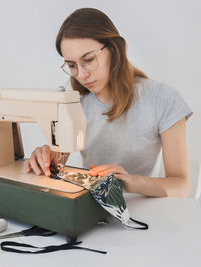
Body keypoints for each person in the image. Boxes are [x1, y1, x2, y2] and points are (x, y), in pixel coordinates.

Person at [25, 8, 193, 197]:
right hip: (92, 207)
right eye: (72, 65)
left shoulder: (161, 99)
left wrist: (131, 182)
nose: (81, 74)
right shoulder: (73, 102)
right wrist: (47, 159)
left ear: (114, 49)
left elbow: (181, 185)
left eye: (88, 60)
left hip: (144, 212)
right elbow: (59, 162)